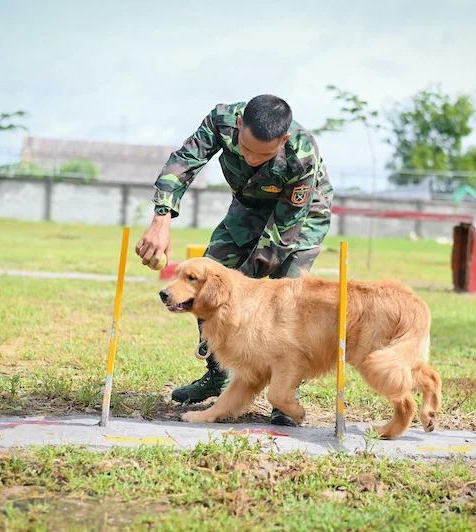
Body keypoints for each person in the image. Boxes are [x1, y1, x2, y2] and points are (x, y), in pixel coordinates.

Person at [135, 94, 333, 425]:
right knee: (204, 280)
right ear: (239, 126)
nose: (253, 159)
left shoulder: (302, 152)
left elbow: (283, 234)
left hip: (300, 216)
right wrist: (161, 217)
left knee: (286, 301)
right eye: (246, 149)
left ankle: (283, 398)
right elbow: (186, 160)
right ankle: (219, 373)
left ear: (282, 140)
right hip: (249, 206)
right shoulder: (222, 120)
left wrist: (237, 287)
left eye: (264, 153)